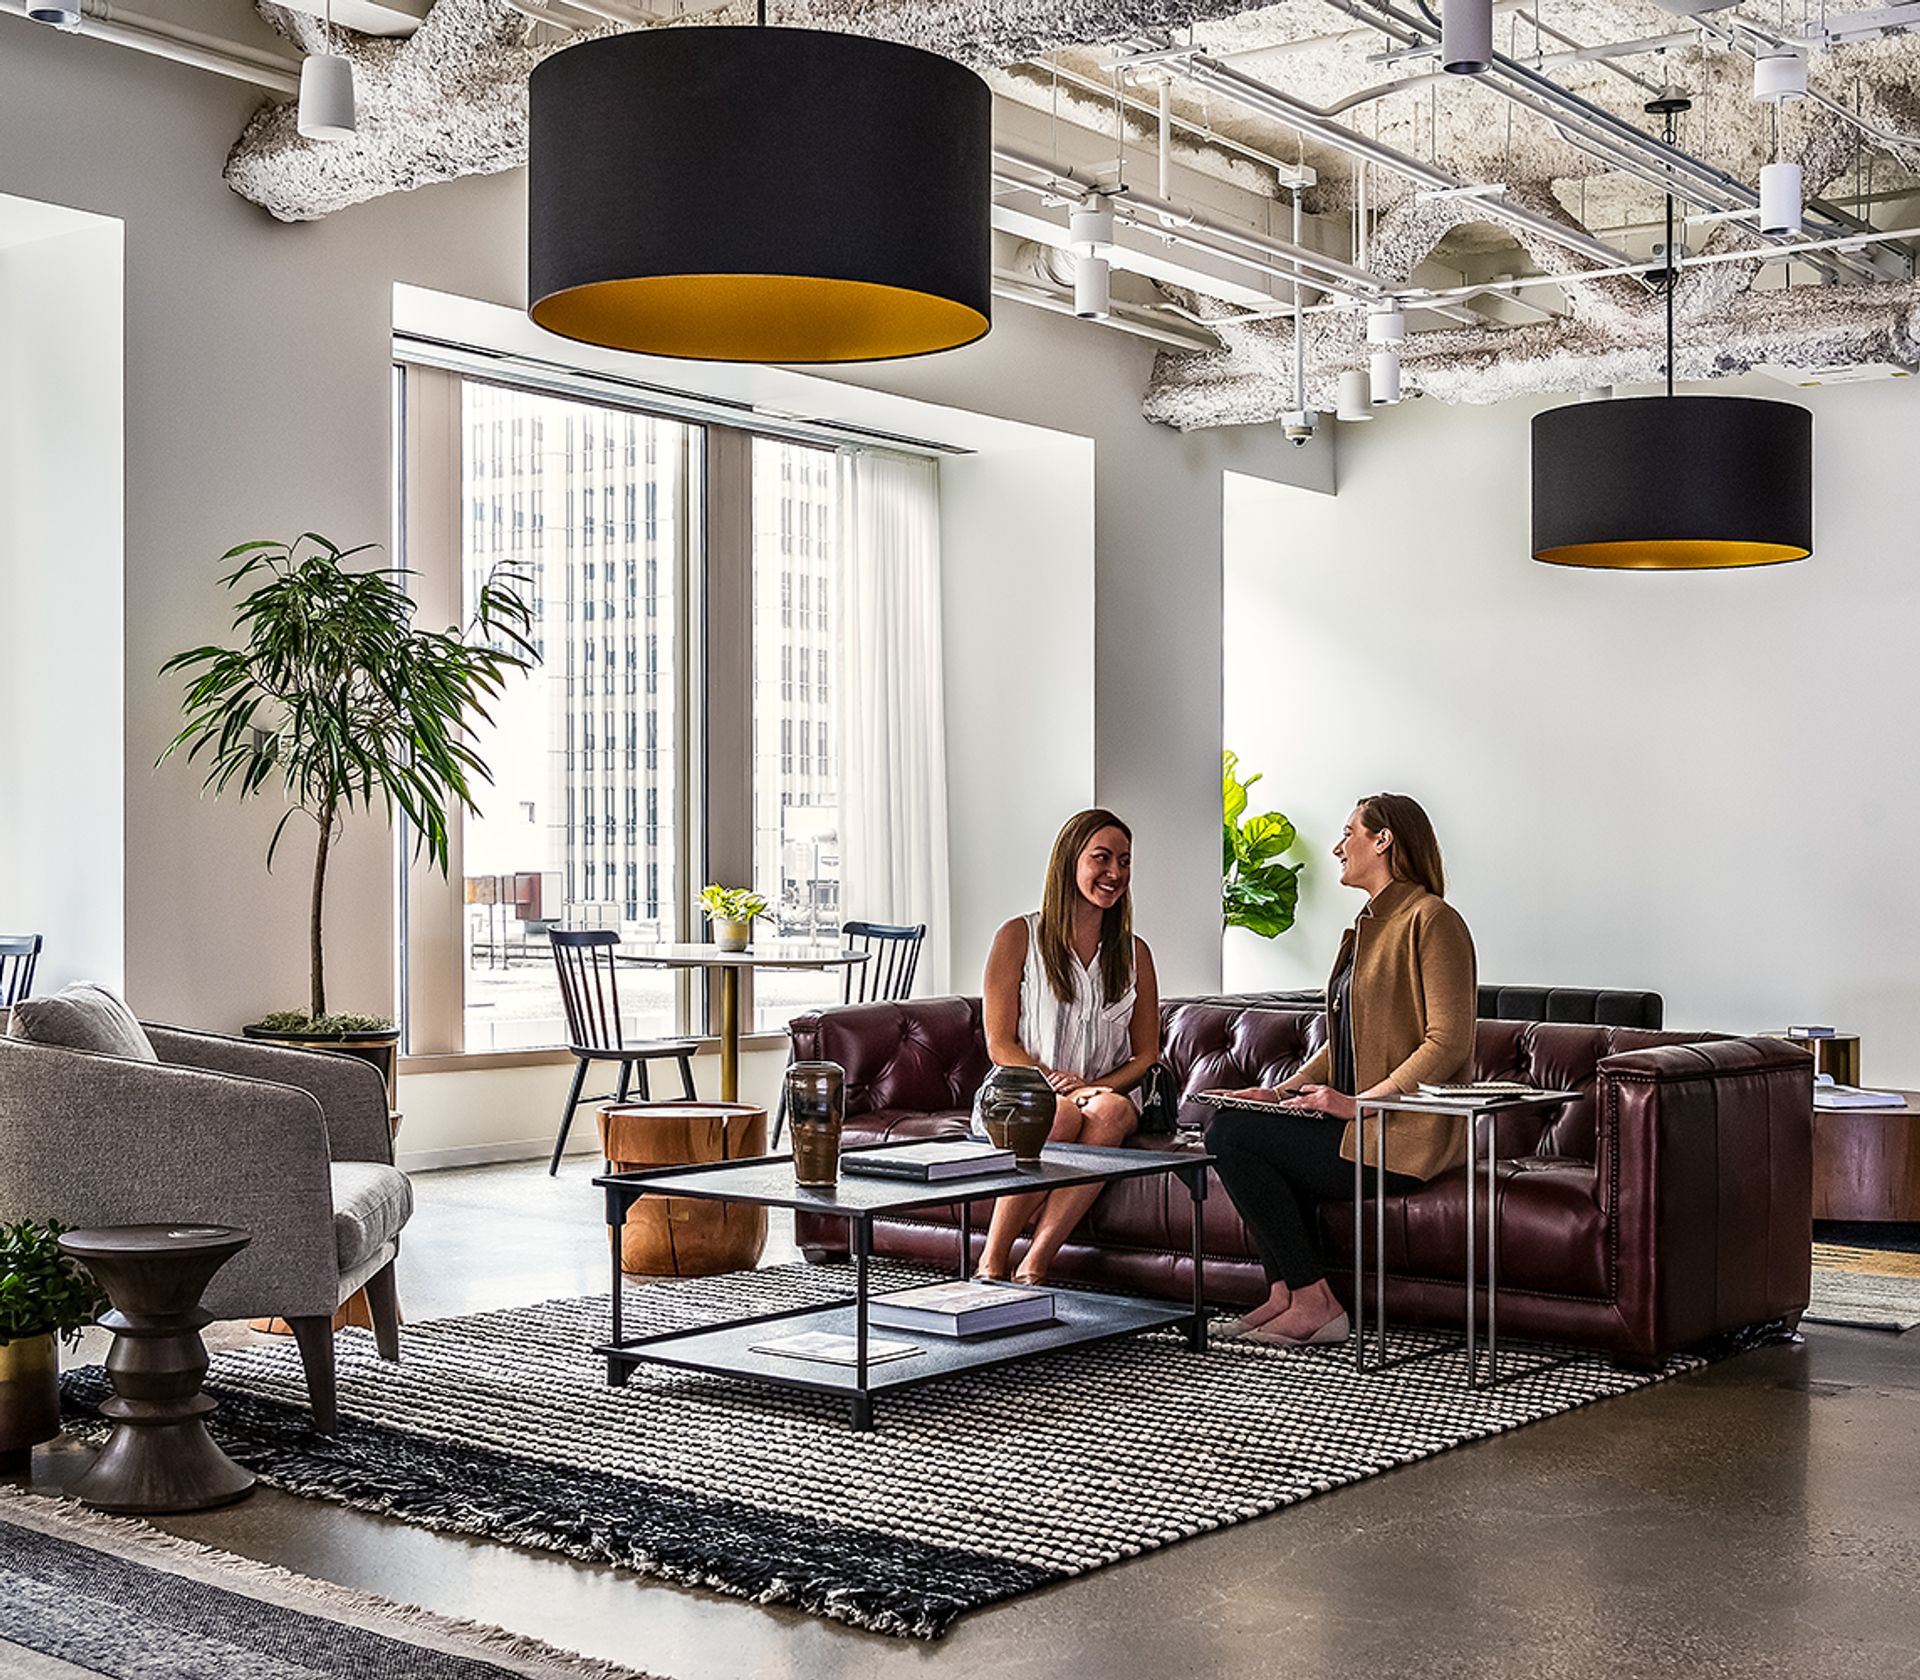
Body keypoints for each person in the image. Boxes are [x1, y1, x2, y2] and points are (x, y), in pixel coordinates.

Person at [1204, 792, 1476, 1346]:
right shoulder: (1364, 928)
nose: (1337, 846)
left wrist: (1361, 1102)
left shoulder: (1434, 920)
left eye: (1349, 832)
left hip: (1401, 1137)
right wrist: (1279, 1094)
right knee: (1234, 1125)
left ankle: (1314, 1302)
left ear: (1384, 839)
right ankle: (1284, 1295)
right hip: (1359, 1127)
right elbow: (1343, 1043)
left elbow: (1447, 1042)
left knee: (1232, 1135)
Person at [974, 808, 1160, 1285]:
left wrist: (1091, 1088)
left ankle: (1035, 1263)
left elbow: (1145, 1056)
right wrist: (1051, 1084)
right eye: (1101, 858)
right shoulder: (1018, 937)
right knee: (1057, 1113)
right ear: (1069, 862)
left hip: (1100, 1093)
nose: (1115, 873)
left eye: (1124, 861)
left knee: (1112, 1112)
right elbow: (1000, 1043)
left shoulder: (1135, 954)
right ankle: (991, 1263)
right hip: (1021, 1092)